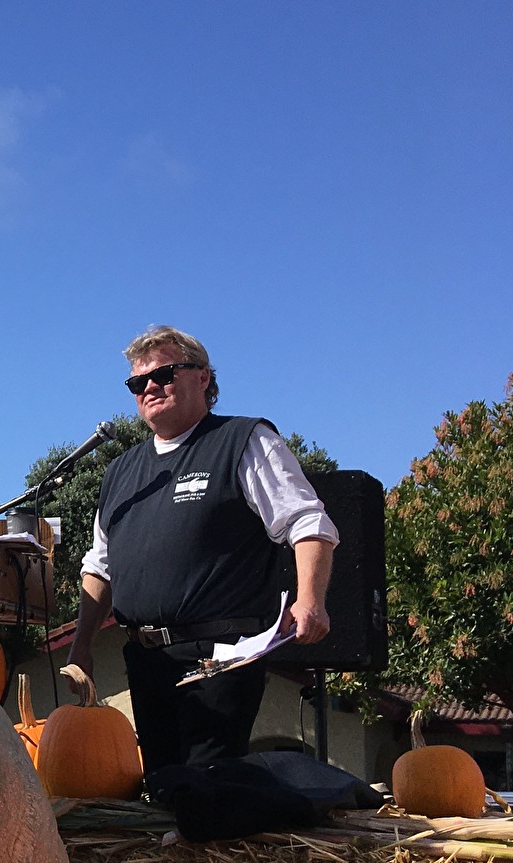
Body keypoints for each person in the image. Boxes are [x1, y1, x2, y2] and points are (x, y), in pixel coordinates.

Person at [68, 326, 338, 770]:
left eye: (165, 374)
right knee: (166, 788)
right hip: (145, 658)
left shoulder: (242, 440)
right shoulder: (120, 472)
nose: (150, 387)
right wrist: (81, 647)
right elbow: (100, 567)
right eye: (139, 383)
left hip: (220, 656)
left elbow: (307, 521)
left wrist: (312, 599)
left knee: (206, 788)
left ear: (204, 378)